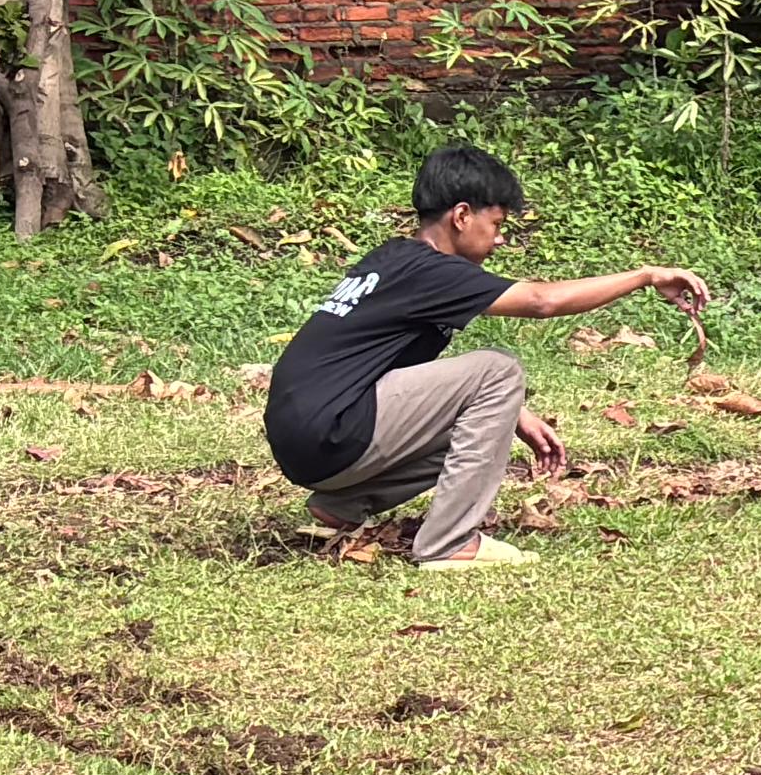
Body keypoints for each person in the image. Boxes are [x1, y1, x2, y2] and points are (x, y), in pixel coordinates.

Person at [263, 144, 708, 568]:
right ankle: (450, 542)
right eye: (496, 225)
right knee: (499, 368)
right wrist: (646, 275)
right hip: (332, 432)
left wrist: (513, 414)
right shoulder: (431, 270)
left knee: (485, 408)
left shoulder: (393, 258)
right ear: (461, 216)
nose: (498, 240)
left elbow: (384, 365)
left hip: (304, 440)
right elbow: (541, 302)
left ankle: (342, 504)